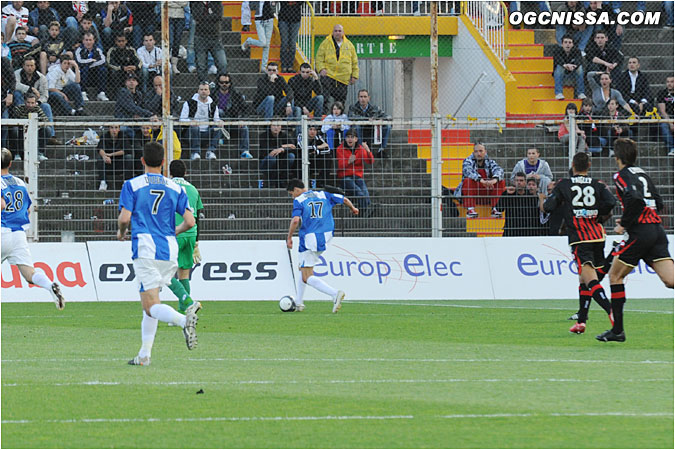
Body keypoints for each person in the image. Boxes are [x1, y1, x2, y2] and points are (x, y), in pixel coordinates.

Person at [118, 142, 200, 366]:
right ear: (164, 162)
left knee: (151, 306)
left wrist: (121, 232)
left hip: (145, 247)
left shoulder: (132, 185)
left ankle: (184, 321)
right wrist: (174, 231)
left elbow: (125, 218)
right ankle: (144, 354)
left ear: (142, 161)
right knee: (151, 299)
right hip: (168, 249)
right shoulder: (175, 187)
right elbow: (190, 221)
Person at [597, 138, 673, 342]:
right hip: (656, 230)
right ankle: (617, 331)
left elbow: (635, 199)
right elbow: (658, 201)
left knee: (615, 277)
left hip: (640, 232)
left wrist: (625, 223)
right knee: (670, 281)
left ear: (618, 156)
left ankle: (618, 331)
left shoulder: (621, 175)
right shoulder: (643, 173)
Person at [543, 152, 616, 335]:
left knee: (590, 279)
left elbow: (549, 207)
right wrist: (597, 214)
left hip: (580, 238)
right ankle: (581, 322)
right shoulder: (597, 184)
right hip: (598, 235)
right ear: (589, 165)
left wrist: (550, 200)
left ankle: (611, 310)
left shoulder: (565, 185)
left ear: (573, 165)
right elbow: (611, 202)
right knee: (585, 279)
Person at [1, 147, 66, 309]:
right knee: (30, 273)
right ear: (10, 163)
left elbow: (2, 204)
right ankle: (50, 285)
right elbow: (28, 209)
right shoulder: (20, 182)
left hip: (2, 231)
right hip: (18, 234)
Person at [286, 178, 358, 313]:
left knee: (307, 275)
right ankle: (299, 302)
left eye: (291, 193)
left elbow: (296, 220)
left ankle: (334, 293)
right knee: (303, 268)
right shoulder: (323, 194)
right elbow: (343, 199)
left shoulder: (299, 200)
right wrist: (353, 208)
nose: (292, 196)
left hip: (309, 237)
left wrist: (289, 237)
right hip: (326, 235)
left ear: (296, 189)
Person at [167, 159, 203, 315]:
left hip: (175, 232)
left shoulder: (169, 187)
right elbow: (198, 215)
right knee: (184, 272)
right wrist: (196, 241)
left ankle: (187, 301)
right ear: (185, 173)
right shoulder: (193, 189)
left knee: (164, 273)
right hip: (191, 233)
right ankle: (185, 313)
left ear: (169, 172)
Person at [13, 55, 58, 144]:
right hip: (22, 102)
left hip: (36, 102)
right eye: (28, 65)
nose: (30, 68)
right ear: (23, 66)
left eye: (32, 65)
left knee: (46, 106)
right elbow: (15, 85)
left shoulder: (41, 78)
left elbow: (45, 95)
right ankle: (21, 124)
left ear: (35, 66)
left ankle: (51, 135)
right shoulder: (17, 74)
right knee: (17, 93)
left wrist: (37, 102)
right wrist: (31, 89)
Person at [456, 142, 506, 219]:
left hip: (487, 190)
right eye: (476, 151)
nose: (478, 154)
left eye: (480, 151)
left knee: (501, 181)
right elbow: (468, 171)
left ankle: (496, 209)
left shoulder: (490, 161)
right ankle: (470, 209)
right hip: (473, 193)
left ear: (485, 152)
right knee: (468, 180)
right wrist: (481, 180)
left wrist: (494, 180)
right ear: (473, 152)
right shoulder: (468, 161)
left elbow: (499, 170)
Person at [315, 24, 359, 106]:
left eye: (339, 31)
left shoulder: (349, 45)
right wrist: (321, 69)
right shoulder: (325, 43)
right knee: (325, 99)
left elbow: (354, 62)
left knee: (340, 102)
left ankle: (339, 117)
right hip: (329, 76)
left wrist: (354, 76)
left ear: (343, 33)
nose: (337, 33)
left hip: (343, 78)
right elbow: (319, 58)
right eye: (335, 31)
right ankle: (324, 116)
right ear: (332, 32)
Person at [211, 72, 252, 159]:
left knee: (244, 128)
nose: (224, 84)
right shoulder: (213, 95)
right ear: (218, 83)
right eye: (222, 82)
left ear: (230, 83)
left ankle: (245, 151)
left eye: (226, 82)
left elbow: (246, 109)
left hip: (233, 121)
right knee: (220, 111)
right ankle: (219, 138)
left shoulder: (236, 94)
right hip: (219, 123)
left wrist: (242, 120)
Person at [179, 81, 223, 161]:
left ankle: (210, 151)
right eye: (201, 89)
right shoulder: (189, 103)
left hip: (206, 133)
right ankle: (195, 152)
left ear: (209, 92)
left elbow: (216, 119)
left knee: (219, 128)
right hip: (191, 133)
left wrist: (220, 122)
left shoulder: (213, 105)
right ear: (198, 91)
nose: (203, 91)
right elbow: (182, 119)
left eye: (206, 89)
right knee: (195, 128)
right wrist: (191, 122)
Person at [336, 128, 373, 215]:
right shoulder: (340, 149)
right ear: (345, 139)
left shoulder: (360, 149)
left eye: (352, 137)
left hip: (357, 176)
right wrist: (348, 162)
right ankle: (366, 210)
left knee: (365, 191)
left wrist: (368, 151)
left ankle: (365, 210)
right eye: (348, 137)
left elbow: (370, 161)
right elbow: (340, 166)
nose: (350, 139)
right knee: (358, 192)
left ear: (356, 139)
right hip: (345, 177)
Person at [348, 89, 392, 158]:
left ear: (369, 98)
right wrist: (367, 119)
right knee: (357, 125)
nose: (363, 99)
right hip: (359, 131)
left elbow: (389, 117)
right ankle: (359, 149)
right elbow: (351, 117)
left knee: (388, 126)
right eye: (361, 97)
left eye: (365, 97)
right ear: (358, 98)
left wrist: (380, 119)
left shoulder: (375, 108)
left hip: (371, 130)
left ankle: (381, 149)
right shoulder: (353, 107)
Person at [495, 172, 541, 237]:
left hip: (528, 231)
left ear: (525, 182)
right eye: (517, 180)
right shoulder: (508, 194)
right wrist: (505, 194)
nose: (519, 182)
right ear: (514, 182)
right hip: (511, 230)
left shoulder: (531, 195)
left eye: (521, 180)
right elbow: (499, 208)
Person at [191, 1, 227, 82]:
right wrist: (210, 15)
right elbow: (197, 16)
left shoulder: (217, 2)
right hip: (200, 37)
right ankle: (204, 84)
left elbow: (219, 16)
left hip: (215, 37)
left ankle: (220, 84)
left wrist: (204, 16)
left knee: (222, 63)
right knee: (201, 65)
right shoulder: (196, 3)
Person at [114, 72, 155, 140]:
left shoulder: (139, 94)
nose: (131, 82)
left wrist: (141, 115)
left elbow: (143, 106)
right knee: (129, 132)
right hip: (124, 121)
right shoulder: (123, 92)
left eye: (133, 80)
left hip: (135, 122)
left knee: (147, 129)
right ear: (125, 83)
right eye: (129, 80)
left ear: (137, 83)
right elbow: (131, 108)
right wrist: (149, 114)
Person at [8, 92, 49, 161]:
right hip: (21, 130)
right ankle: (16, 154)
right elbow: (14, 121)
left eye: (32, 103)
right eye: (28, 102)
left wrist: (37, 125)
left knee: (47, 129)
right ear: (24, 102)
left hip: (34, 130)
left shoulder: (37, 109)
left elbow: (45, 121)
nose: (30, 105)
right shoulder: (18, 109)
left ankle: (39, 153)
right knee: (14, 130)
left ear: (36, 103)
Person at [96, 124, 133, 191]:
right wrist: (105, 156)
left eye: (116, 128)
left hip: (120, 162)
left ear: (119, 129)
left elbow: (127, 150)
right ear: (109, 129)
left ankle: (126, 182)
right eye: (112, 128)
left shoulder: (123, 136)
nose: (114, 130)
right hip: (108, 163)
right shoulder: (104, 136)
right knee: (100, 158)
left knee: (129, 157)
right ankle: (103, 182)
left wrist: (111, 155)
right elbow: (99, 148)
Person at [74, 31, 108, 101]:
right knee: (84, 69)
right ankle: (83, 92)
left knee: (103, 69)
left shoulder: (97, 49)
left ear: (93, 41)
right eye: (86, 40)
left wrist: (90, 65)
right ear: (83, 41)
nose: (88, 42)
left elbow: (103, 60)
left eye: (90, 40)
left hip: (95, 74)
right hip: (84, 74)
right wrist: (91, 60)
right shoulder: (79, 50)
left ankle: (101, 93)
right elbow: (79, 61)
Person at [106, 32, 142, 99]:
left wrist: (135, 67)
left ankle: (138, 94)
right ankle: (117, 95)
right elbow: (109, 63)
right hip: (119, 70)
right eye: (119, 41)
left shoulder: (131, 49)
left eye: (123, 41)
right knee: (114, 73)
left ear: (126, 41)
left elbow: (139, 61)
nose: (121, 43)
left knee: (140, 72)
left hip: (130, 70)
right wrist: (122, 68)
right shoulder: (112, 50)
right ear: (116, 42)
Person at [241, 1, 274, 72]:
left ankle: (263, 67)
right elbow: (252, 6)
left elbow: (274, 5)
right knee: (263, 43)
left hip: (269, 20)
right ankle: (249, 41)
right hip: (259, 20)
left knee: (267, 45)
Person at [552, 34, 585, 100]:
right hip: (561, 76)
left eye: (570, 42)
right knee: (559, 67)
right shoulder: (557, 51)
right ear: (562, 44)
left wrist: (574, 66)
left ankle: (580, 93)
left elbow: (579, 60)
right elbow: (557, 59)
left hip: (573, 75)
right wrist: (565, 65)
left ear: (572, 44)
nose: (568, 44)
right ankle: (559, 93)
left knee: (580, 68)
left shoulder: (577, 51)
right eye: (565, 42)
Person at [278, 2, 302, 73]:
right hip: (283, 18)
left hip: (296, 19)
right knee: (284, 43)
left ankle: (290, 66)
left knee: (292, 43)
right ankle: (284, 66)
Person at [168, 1, 188, 74]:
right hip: (168, 16)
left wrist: (172, 2)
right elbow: (165, 2)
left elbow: (185, 3)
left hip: (180, 17)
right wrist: (178, 3)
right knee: (170, 41)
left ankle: (174, 65)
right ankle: (166, 63)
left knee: (177, 42)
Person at [655, 75, 674, 155]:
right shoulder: (662, 93)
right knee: (664, 126)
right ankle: (672, 148)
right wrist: (671, 123)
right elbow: (663, 111)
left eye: (672, 82)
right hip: (667, 117)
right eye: (668, 82)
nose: (669, 84)